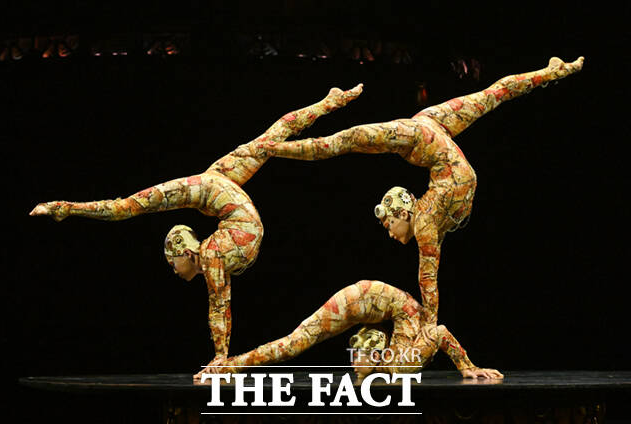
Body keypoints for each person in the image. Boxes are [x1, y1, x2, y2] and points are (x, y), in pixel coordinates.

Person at [29, 84, 364, 367]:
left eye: (172, 262)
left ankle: (63, 208)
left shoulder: (213, 253)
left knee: (128, 207)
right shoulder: (217, 246)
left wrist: (220, 358)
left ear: (186, 252)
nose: (173, 270)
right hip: (221, 189)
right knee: (271, 138)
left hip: (211, 191)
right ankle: (329, 101)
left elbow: (220, 303)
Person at [244, 56, 584, 325]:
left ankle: (551, 71)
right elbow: (429, 278)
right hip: (432, 128)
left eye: (389, 225)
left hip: (423, 139)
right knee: (492, 95)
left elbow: (427, 279)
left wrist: (274, 150)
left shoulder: (425, 218)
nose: (391, 235)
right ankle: (550, 72)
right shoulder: (429, 214)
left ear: (402, 212)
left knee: (346, 141)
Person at [196, 279, 503, 382]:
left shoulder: (398, 357)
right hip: (363, 300)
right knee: (293, 344)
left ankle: (227, 366)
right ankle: (227, 366)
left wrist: (466, 366)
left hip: (374, 302)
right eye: (356, 356)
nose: (354, 363)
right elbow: (441, 331)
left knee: (294, 343)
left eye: (358, 356)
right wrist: (467, 366)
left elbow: (436, 329)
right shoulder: (403, 359)